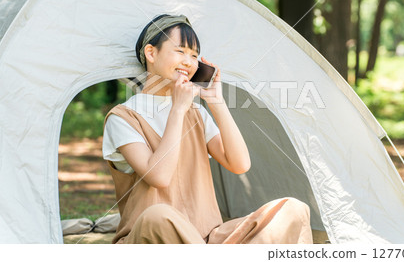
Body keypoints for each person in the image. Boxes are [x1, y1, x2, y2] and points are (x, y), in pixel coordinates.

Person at [102, 14, 313, 244]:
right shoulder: (122, 118)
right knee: (158, 215)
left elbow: (240, 164)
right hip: (152, 237)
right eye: (180, 51)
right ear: (151, 53)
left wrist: (215, 101)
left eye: (194, 55)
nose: (189, 62)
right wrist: (177, 110)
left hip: (207, 238)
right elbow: (160, 177)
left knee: (293, 210)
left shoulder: (197, 114)